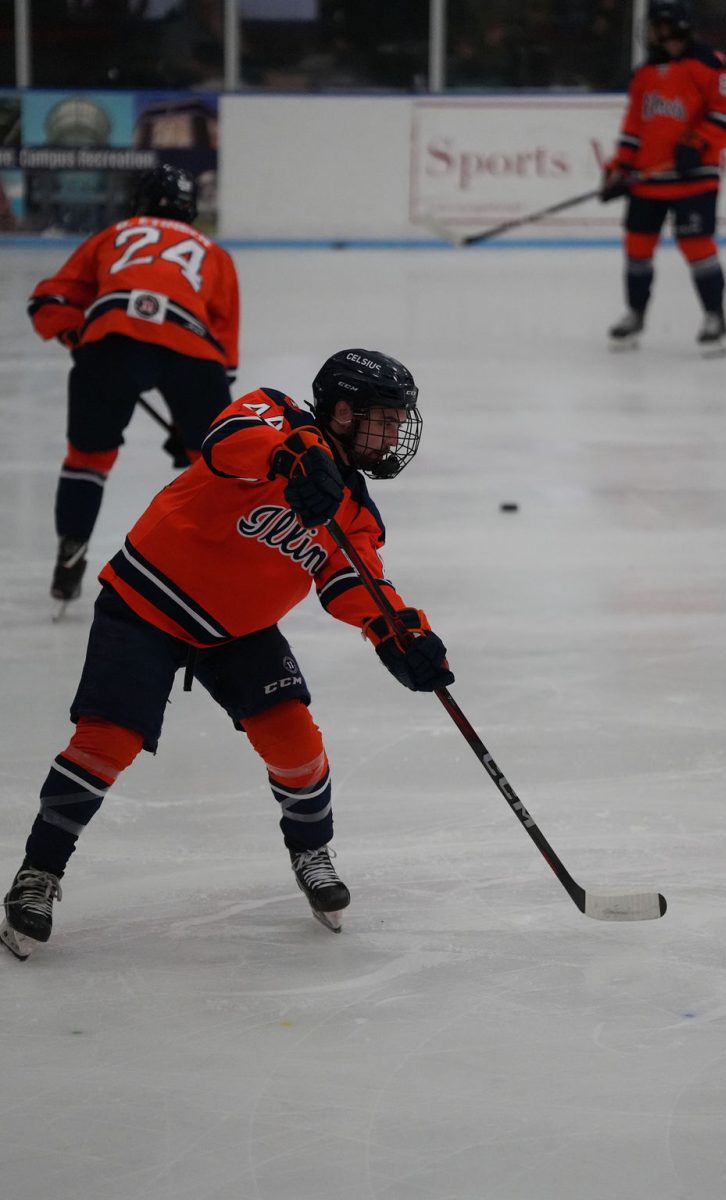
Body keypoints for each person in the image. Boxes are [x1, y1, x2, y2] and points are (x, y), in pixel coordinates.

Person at [0, 349, 455, 960]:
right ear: (342, 412)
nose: (397, 433)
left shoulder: (353, 508)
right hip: (146, 603)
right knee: (106, 741)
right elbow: (225, 440)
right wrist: (294, 456)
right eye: (386, 417)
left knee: (296, 741)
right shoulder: (273, 413)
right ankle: (39, 873)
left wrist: (403, 635)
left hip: (236, 632)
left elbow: (354, 579)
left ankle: (311, 853)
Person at [27, 162, 240, 609]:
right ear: (190, 208)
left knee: (88, 458)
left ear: (138, 203)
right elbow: (225, 350)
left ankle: (72, 552)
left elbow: (47, 298)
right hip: (193, 348)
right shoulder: (213, 252)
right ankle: (214, 565)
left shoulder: (116, 234)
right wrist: (195, 427)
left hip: (113, 339)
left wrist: (77, 336)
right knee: (211, 463)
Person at [600, 0, 726, 353]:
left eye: (666, 28)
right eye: (656, 29)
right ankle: (635, 313)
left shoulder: (712, 64)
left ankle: (714, 316)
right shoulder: (645, 74)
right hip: (648, 181)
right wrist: (619, 168)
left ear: (681, 27)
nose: (661, 36)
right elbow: (634, 128)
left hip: (693, 178)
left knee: (697, 247)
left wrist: (696, 143)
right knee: (636, 247)